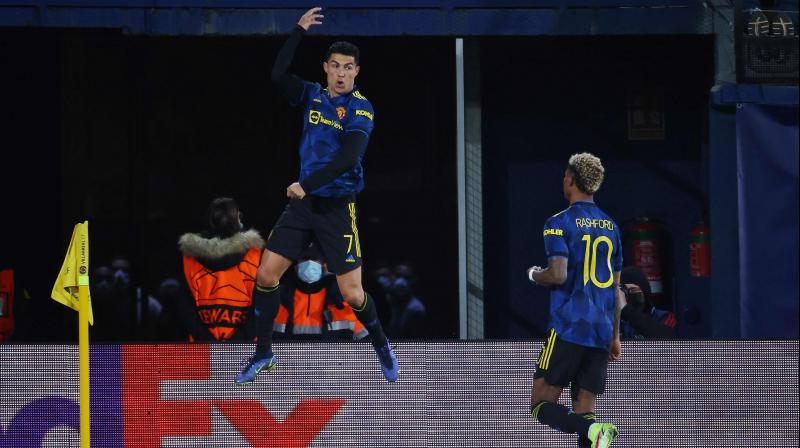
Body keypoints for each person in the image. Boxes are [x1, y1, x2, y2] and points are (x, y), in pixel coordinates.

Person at [236, 7, 398, 384]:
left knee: (353, 294)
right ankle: (263, 354)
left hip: (338, 208)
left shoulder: (360, 109)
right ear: (325, 67)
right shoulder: (311, 95)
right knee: (266, 275)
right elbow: (277, 74)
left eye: (349, 67)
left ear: (357, 71)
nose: (341, 73)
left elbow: (348, 159)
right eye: (336, 66)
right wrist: (297, 31)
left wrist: (306, 184)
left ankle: (381, 345)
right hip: (304, 206)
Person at [526, 153, 623, 448]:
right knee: (585, 410)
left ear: (570, 180)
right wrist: (615, 336)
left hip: (569, 326)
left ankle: (594, 432)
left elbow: (557, 274)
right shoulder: (612, 226)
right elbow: (616, 289)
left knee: (541, 403)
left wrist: (533, 275)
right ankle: (595, 433)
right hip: (602, 329)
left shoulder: (558, 222)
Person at [179, 197, 264, 342]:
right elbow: (263, 305)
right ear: (237, 219)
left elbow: (185, 306)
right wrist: (239, 341)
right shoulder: (255, 254)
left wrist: (206, 340)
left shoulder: (190, 257)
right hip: (246, 349)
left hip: (202, 349)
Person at [274, 245, 368, 340]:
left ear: (325, 265)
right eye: (304, 258)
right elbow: (261, 339)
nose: (309, 263)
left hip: (332, 355)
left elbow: (367, 343)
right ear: (296, 266)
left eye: (315, 259)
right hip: (288, 354)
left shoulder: (341, 300)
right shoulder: (278, 298)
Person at [619, 265, 676, 339]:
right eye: (624, 291)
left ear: (644, 291)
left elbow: (666, 340)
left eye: (632, 290)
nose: (628, 295)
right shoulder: (618, 322)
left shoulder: (665, 317)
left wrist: (627, 310)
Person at [385, 263, 427, 338]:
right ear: (391, 276)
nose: (401, 282)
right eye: (398, 276)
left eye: (406, 277)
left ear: (413, 281)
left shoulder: (416, 309)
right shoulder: (384, 302)